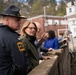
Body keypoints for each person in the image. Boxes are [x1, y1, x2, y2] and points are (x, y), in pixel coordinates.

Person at [0, 5, 28, 75]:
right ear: (7, 20)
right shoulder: (13, 38)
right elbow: (22, 64)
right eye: (17, 20)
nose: (20, 22)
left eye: (20, 20)